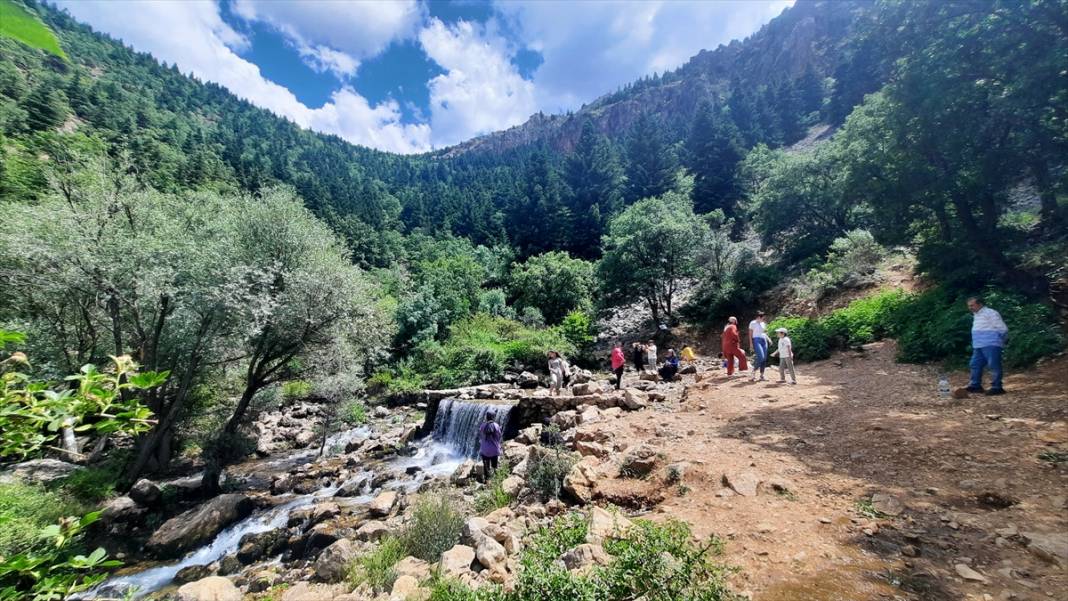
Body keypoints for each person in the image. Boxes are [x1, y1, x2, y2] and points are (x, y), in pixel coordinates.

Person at [966, 296, 1008, 395]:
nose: (970, 308)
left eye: (972, 305)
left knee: (993, 365)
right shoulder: (976, 315)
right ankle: (975, 385)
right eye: (969, 306)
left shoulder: (990, 313)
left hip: (991, 343)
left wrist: (1003, 339)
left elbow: (1002, 328)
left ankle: (997, 387)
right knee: (974, 364)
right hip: (978, 345)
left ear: (980, 304)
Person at [478, 411, 502, 481]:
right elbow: (499, 437)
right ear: (493, 417)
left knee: (486, 466)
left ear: (486, 417)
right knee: (494, 466)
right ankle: (495, 479)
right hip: (494, 450)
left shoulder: (482, 426)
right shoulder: (496, 426)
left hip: (484, 450)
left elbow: (481, 435)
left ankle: (486, 479)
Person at [749, 311, 769, 382]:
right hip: (756, 340)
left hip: (764, 340)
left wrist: (769, 339)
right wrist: (751, 344)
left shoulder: (763, 323)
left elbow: (764, 333)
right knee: (761, 357)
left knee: (764, 358)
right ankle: (753, 372)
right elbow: (750, 334)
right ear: (758, 317)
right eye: (763, 318)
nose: (764, 320)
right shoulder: (752, 323)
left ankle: (762, 375)